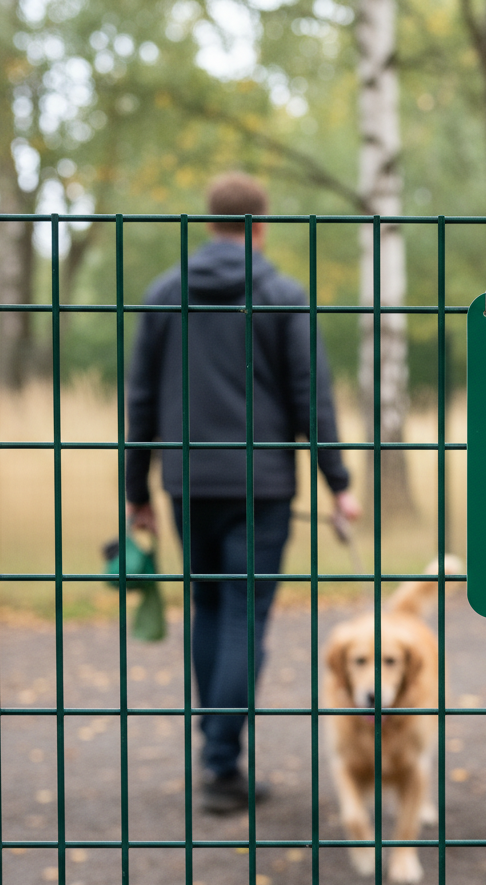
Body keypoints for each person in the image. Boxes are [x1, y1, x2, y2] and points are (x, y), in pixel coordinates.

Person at [126, 172, 361, 813]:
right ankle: (221, 763)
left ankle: (219, 755)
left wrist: (136, 488)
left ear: (209, 225)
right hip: (262, 484)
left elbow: (140, 398)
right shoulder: (282, 294)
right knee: (244, 616)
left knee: (207, 607)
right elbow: (313, 396)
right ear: (262, 225)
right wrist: (338, 482)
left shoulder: (164, 294)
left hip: (185, 481)